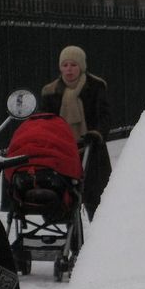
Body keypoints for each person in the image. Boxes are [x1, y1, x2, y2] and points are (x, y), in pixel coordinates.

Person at [40, 45, 112, 221]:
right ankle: (73, 241)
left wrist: (96, 133)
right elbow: (45, 120)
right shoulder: (51, 91)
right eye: (65, 65)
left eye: (73, 65)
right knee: (66, 197)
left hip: (91, 148)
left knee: (95, 197)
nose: (69, 69)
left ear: (81, 66)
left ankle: (99, 235)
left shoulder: (95, 86)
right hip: (63, 150)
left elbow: (104, 115)